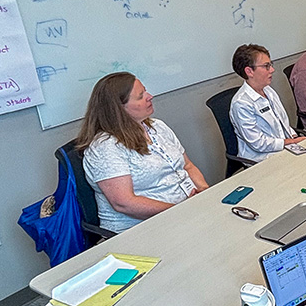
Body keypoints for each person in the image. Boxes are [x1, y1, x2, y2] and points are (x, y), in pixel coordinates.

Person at [77, 72, 208, 233]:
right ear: (119, 109)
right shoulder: (105, 147)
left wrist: (204, 193)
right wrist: (179, 210)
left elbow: (187, 166)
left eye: (145, 91)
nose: (150, 96)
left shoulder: (157, 126)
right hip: (141, 230)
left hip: (185, 212)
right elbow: (124, 203)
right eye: (140, 96)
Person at [229, 44, 306, 163]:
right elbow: (257, 143)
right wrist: (288, 142)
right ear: (249, 71)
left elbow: (282, 123)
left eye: (271, 65)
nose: (272, 70)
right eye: (266, 66)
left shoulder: (268, 90)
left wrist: (294, 137)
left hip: (285, 147)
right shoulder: (241, 103)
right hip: (261, 158)